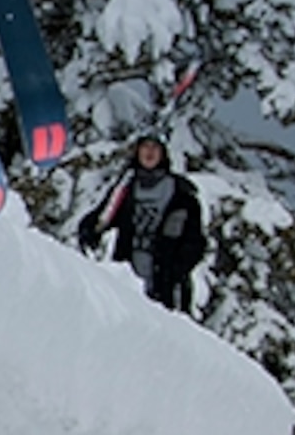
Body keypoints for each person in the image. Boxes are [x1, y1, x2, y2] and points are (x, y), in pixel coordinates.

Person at [89, 134, 208, 313]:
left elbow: (196, 242)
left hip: (168, 284)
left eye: (155, 148)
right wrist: (88, 232)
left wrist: (177, 269)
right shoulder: (126, 189)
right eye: (145, 147)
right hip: (128, 279)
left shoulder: (182, 194)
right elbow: (103, 218)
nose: (149, 152)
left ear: (163, 154)